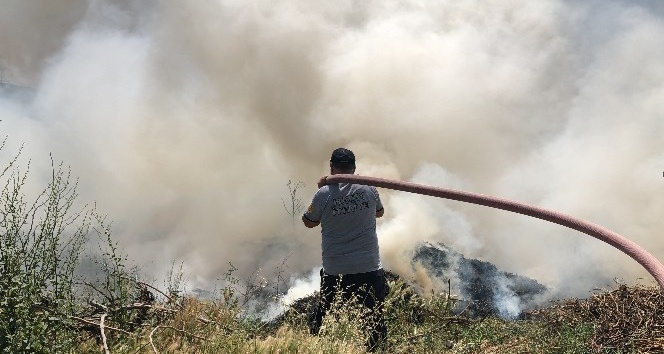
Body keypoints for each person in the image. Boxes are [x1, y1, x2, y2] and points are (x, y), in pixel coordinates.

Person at [302, 147, 387, 351]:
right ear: (354, 168)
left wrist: (321, 191)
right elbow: (380, 212)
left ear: (332, 167)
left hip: (335, 270)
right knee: (374, 318)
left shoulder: (323, 194)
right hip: (368, 267)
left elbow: (308, 221)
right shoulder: (369, 189)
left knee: (324, 316)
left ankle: (317, 346)